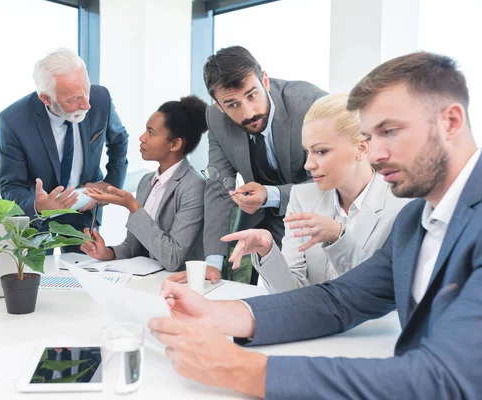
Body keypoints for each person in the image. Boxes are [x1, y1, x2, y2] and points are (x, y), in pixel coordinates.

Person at [148, 52, 482, 398]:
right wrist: (220, 315)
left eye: (391, 132)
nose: (375, 153)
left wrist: (242, 370)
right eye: (371, 136)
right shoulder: (416, 220)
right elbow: (340, 299)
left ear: (451, 122)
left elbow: (447, 379)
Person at [173, 46, 327, 285]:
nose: (248, 112)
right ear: (218, 105)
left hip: (311, 224)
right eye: (232, 104)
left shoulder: (311, 105)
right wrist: (213, 264)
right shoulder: (215, 119)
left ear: (264, 80)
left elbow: (334, 181)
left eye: (252, 95)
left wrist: (271, 194)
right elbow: (218, 188)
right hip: (259, 230)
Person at [236, 93, 410, 293]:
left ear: (362, 148)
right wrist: (266, 251)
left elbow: (385, 292)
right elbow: (292, 293)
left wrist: (338, 238)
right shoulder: (302, 197)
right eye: (307, 151)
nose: (308, 165)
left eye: (321, 151)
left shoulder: (402, 206)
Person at [0, 48, 128, 252]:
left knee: (85, 273)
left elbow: (119, 141)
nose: (87, 104)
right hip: (38, 220)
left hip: (84, 209)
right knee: (39, 278)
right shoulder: (12, 121)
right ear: (46, 99)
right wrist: (39, 206)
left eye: (87, 90)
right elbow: (12, 186)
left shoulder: (100, 99)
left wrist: (109, 186)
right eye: (74, 99)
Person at [80, 96, 207, 272]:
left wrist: (132, 207)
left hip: (178, 287)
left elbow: (173, 259)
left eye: (151, 132)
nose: (142, 138)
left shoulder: (194, 186)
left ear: (175, 144)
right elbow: (134, 248)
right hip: (146, 282)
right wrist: (107, 253)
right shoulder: (147, 182)